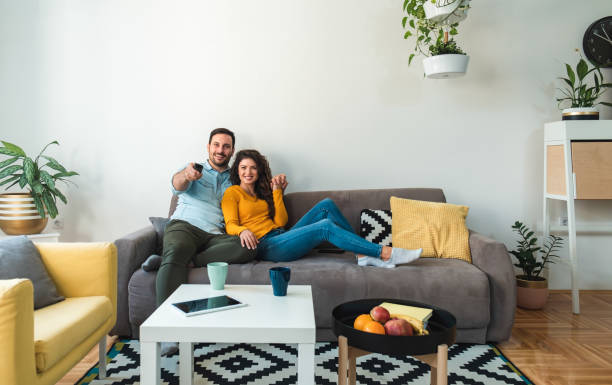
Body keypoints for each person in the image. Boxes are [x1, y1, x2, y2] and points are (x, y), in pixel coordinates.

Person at [221, 149, 423, 267]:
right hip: (267, 247)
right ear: (237, 171)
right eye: (243, 167)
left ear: (259, 171)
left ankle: (362, 254)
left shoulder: (263, 195)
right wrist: (243, 230)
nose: (249, 172)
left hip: (280, 235)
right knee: (324, 226)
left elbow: (280, 222)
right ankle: (384, 253)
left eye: (253, 167)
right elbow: (230, 225)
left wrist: (276, 192)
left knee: (326, 205)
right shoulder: (232, 193)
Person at [156, 128, 256, 355]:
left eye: (226, 146)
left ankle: (177, 259)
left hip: (217, 236)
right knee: (179, 247)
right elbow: (177, 183)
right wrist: (186, 175)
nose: (221, 150)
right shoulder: (194, 169)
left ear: (232, 150)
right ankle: (168, 332)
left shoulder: (236, 177)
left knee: (248, 246)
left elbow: (254, 195)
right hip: (186, 226)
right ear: (208, 147)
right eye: (217, 145)